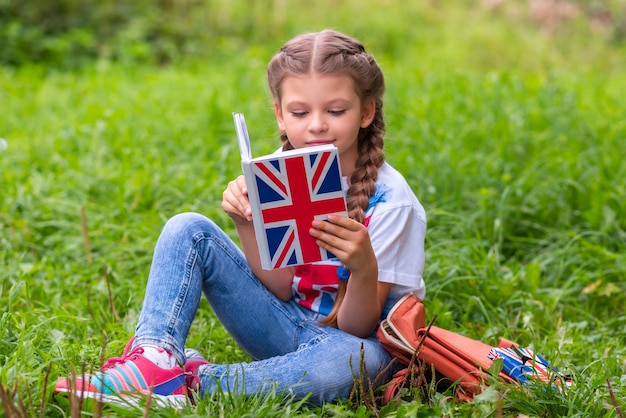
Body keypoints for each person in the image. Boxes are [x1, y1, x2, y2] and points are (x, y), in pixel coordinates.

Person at [55, 29, 427, 407]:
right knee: (188, 228)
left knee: (352, 365)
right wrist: (246, 223)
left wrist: (363, 269)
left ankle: (195, 382)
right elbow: (282, 288)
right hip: (282, 323)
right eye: (300, 112)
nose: (317, 125)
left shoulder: (392, 202)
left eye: (335, 111)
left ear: (366, 112)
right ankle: (155, 358)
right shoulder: (280, 175)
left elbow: (357, 328)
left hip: (356, 344)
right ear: (280, 115)